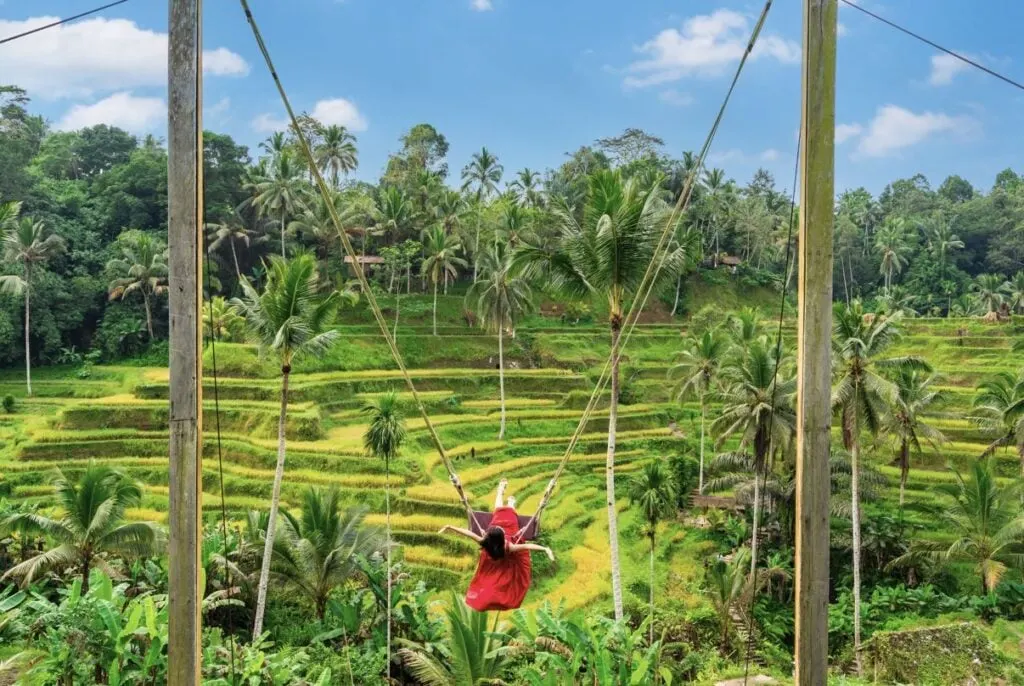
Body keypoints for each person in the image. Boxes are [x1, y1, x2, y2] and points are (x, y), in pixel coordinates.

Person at [439, 478, 554, 612]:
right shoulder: (508, 546)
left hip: (495, 524)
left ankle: (501, 491)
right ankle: (511, 503)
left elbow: (467, 533)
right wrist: (544, 549)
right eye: (501, 531)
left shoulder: (486, 540)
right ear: (500, 538)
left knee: (498, 511)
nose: (502, 529)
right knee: (510, 513)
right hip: (512, 529)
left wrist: (450, 527)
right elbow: (528, 547)